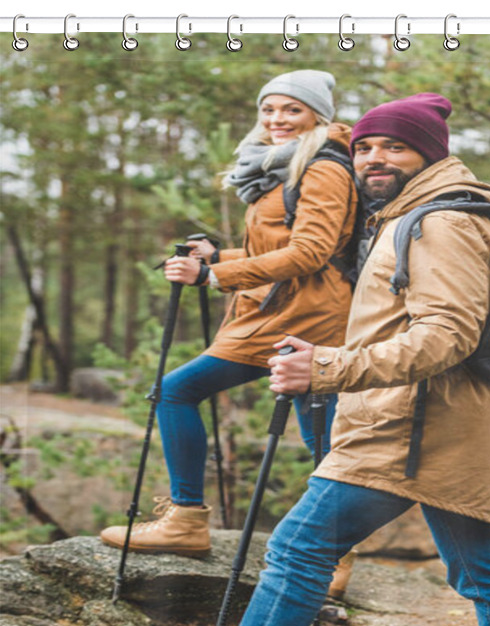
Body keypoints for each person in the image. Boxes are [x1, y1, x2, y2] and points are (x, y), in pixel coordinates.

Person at [102, 93, 490, 626]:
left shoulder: (443, 221)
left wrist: (330, 369)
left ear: (430, 152)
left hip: (413, 426)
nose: (374, 158)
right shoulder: (418, 213)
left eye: (394, 145)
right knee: (489, 574)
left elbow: (447, 334)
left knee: (300, 548)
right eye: (364, 146)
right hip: (454, 423)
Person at [99, 70, 359, 565]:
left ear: (316, 115)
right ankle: (187, 521)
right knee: (179, 391)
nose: (277, 119)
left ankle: (332, 556)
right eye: (269, 109)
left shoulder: (324, 168)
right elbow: (278, 245)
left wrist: (212, 277)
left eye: (291, 110)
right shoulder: (283, 164)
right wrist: (219, 256)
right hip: (274, 310)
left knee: (319, 438)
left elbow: (310, 253)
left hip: (311, 318)